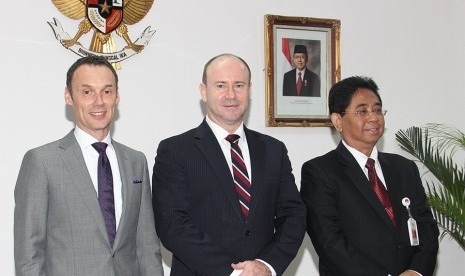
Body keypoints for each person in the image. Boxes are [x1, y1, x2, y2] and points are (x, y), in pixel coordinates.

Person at [152, 54, 306, 276]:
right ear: (203, 91)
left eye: (239, 85)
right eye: (221, 85)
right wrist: (234, 273)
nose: (231, 95)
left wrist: (266, 265)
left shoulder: (274, 150)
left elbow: (293, 215)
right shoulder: (175, 150)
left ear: (250, 90)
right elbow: (173, 225)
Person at [14, 56, 164, 276]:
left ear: (117, 96)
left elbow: (147, 247)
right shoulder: (41, 162)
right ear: (69, 96)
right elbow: (29, 256)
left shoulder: (135, 162)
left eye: (106, 91)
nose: (99, 101)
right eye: (87, 92)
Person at [300, 76, 439, 276]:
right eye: (362, 111)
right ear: (338, 121)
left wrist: (416, 271)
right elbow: (330, 243)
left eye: (377, 110)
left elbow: (427, 229)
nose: (373, 117)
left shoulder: (404, 168)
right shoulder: (320, 171)